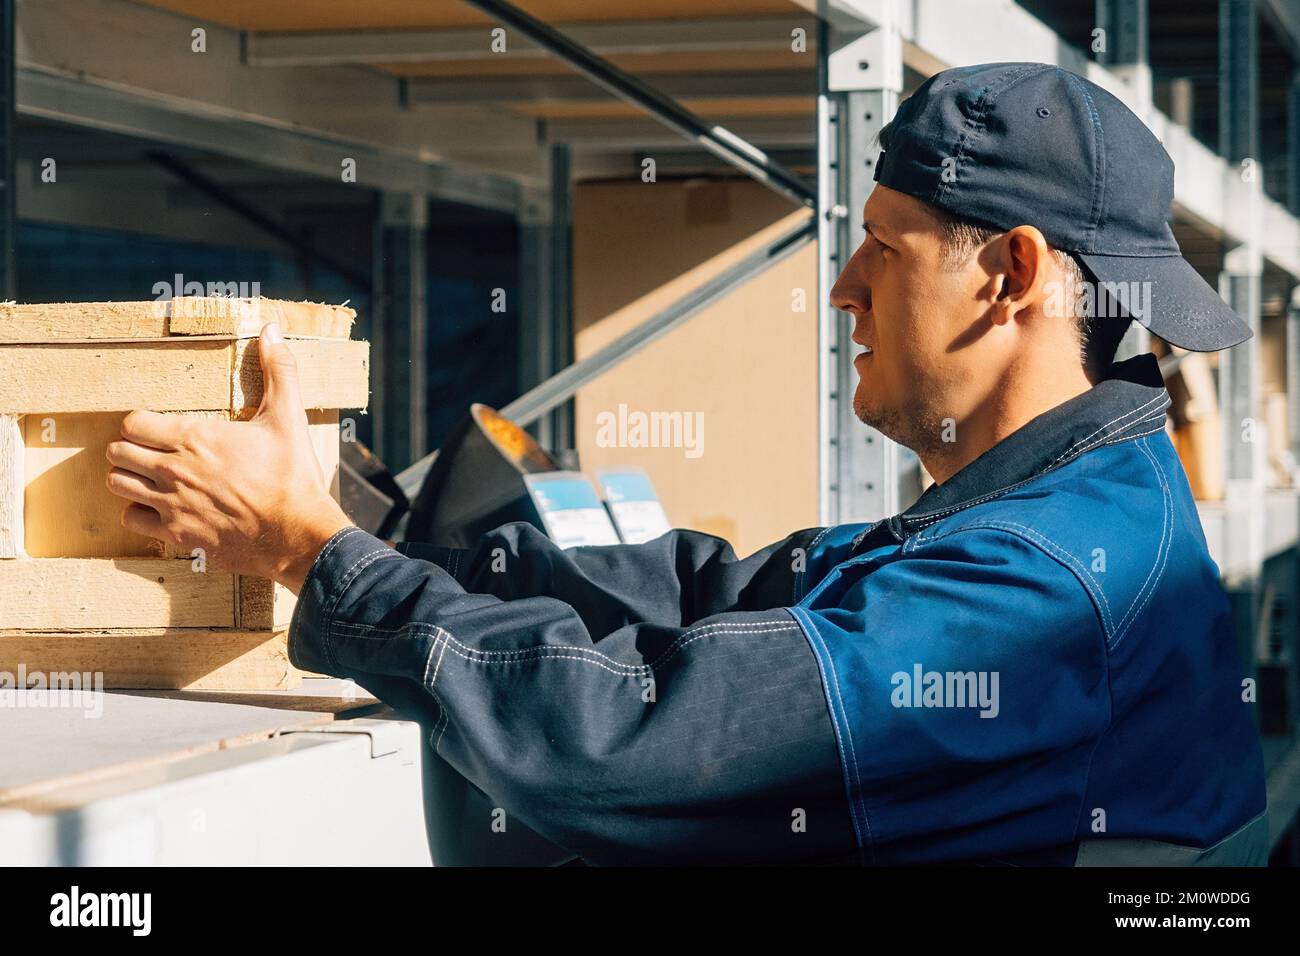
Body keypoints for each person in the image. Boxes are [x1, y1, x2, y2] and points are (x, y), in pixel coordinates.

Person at [106, 63, 1267, 865]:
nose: (845, 286)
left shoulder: (1037, 588)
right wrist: (404, 541)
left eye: (882, 246)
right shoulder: (1075, 506)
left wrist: (312, 553)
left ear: (1010, 275)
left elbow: (634, 743)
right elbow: (747, 596)